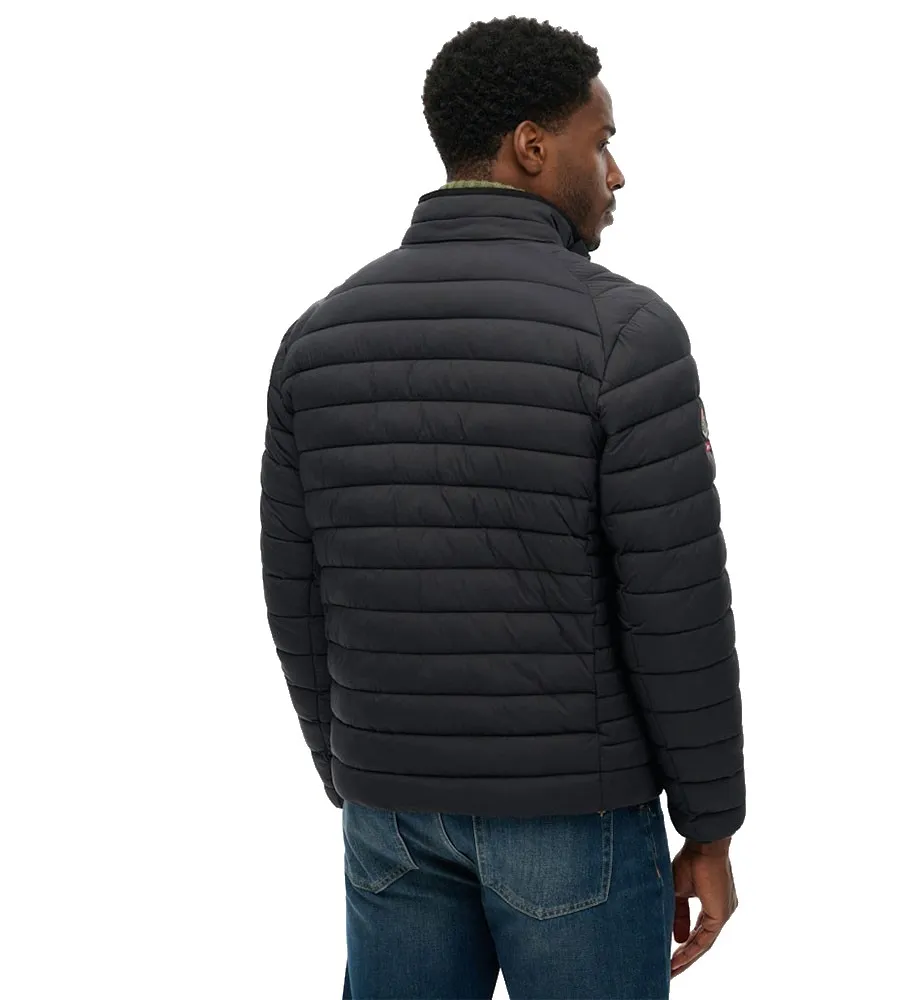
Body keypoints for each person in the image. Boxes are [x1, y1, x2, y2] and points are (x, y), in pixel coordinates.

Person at [259, 15, 745, 998]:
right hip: (575, 819)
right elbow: (675, 603)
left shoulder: (317, 339)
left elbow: (294, 589)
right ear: (531, 146)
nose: (616, 173)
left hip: (390, 815)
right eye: (601, 143)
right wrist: (709, 823)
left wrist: (352, 770)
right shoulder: (624, 334)